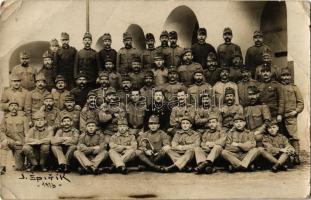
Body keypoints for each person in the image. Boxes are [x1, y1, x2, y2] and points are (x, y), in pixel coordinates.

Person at [278, 67, 304, 164]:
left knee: (293, 137)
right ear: (281, 77)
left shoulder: (294, 88)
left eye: (287, 75)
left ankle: (296, 156)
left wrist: (295, 111)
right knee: (281, 137)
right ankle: (285, 158)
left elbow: (300, 102)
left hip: (290, 116)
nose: (285, 78)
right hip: (280, 116)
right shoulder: (279, 87)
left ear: (290, 76)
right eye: (283, 75)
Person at [0, 99, 28, 171]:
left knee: (19, 167)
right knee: (4, 143)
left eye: (15, 105)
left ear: (18, 108)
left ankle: (22, 162)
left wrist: (24, 143)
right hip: (10, 141)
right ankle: (2, 166)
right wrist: (4, 139)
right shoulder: (5, 118)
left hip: (20, 143)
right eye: (11, 106)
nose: (13, 107)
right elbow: (2, 131)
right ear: (9, 108)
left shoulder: (24, 118)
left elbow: (27, 133)